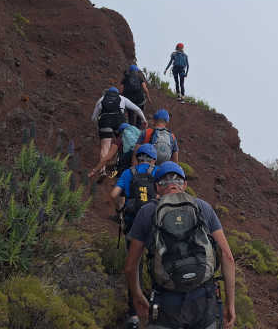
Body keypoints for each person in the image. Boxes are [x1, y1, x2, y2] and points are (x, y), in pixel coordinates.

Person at [125, 162, 236, 329]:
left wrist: (137, 295)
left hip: (166, 303)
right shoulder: (203, 208)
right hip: (204, 302)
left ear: (157, 188)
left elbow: (131, 266)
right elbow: (228, 257)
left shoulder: (147, 212)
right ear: (184, 184)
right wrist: (230, 303)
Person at [109, 144, 159, 329]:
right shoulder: (159, 171)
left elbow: (114, 194)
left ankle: (134, 315)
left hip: (133, 227)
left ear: (138, 158)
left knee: (133, 268)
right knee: (156, 266)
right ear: (153, 159)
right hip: (155, 227)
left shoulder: (128, 173)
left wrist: (120, 211)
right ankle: (156, 307)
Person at [91, 87, 147, 176]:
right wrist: (144, 119)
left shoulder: (101, 99)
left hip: (105, 121)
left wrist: (98, 124)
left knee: (105, 147)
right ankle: (119, 164)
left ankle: (103, 170)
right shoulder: (122, 98)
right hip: (119, 121)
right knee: (121, 144)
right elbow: (137, 109)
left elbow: (93, 117)